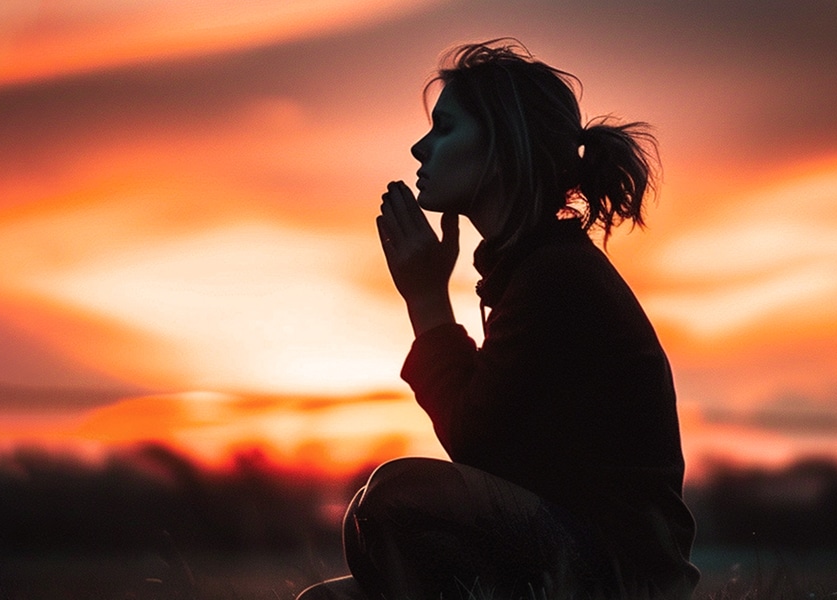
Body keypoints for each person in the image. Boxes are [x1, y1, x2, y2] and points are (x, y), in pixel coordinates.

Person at [297, 39, 698, 600]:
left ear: (503, 147)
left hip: (620, 574)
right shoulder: (529, 270)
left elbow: (475, 442)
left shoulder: (556, 277)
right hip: (566, 552)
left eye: (445, 129)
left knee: (396, 494)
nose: (420, 148)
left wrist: (426, 301)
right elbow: (500, 456)